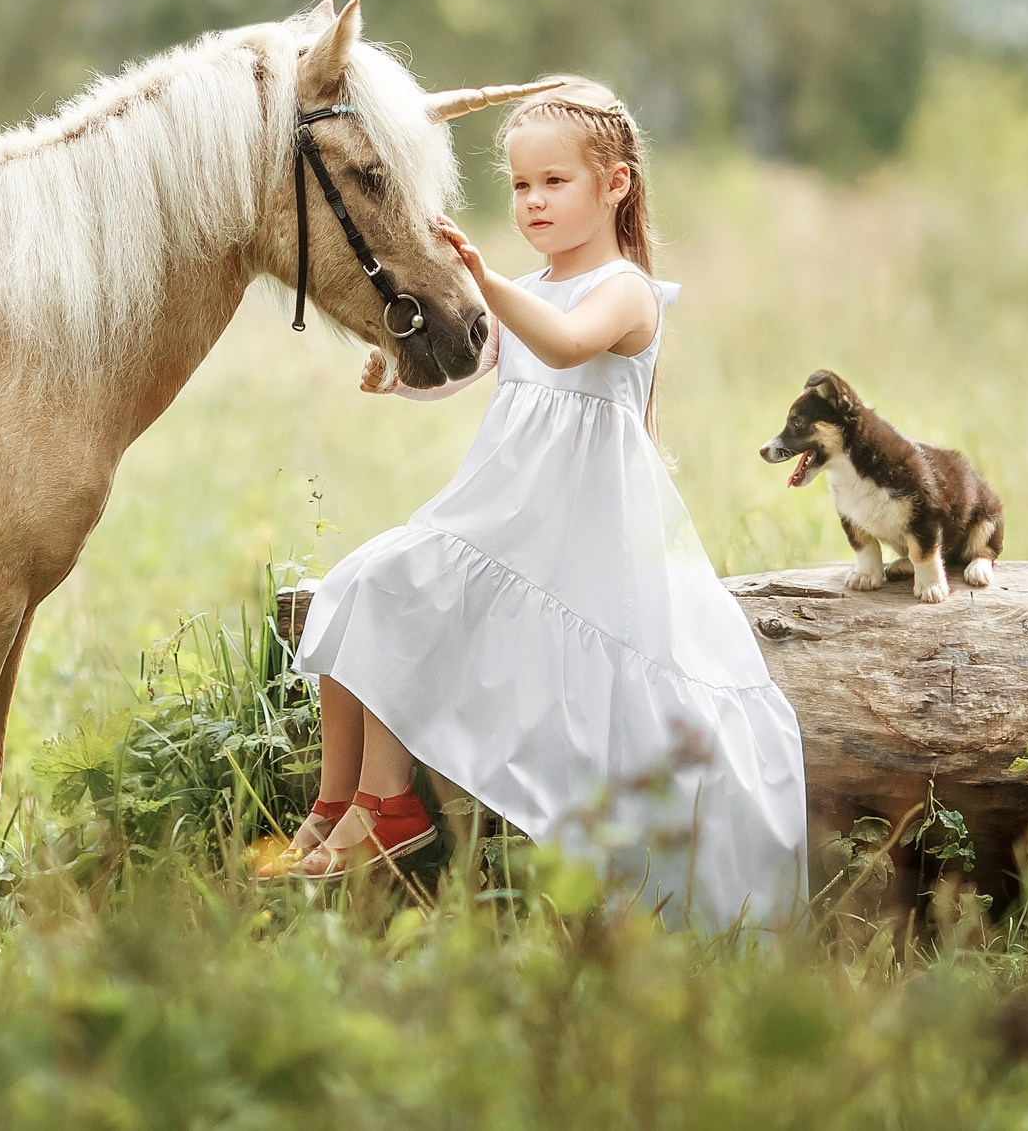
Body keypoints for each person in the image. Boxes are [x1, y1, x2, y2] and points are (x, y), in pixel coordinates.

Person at [280, 77, 807, 929]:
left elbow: (561, 349)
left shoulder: (627, 290)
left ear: (616, 184)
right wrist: (401, 378)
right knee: (352, 584)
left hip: (567, 527)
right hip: (505, 511)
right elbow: (476, 364)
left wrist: (482, 277)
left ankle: (388, 804)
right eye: (520, 186)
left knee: (390, 588)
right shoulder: (523, 289)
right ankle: (338, 800)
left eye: (553, 182)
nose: (532, 202)